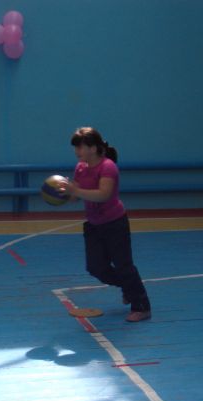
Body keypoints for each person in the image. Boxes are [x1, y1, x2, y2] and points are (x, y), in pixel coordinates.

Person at [58, 127, 151, 322]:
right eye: (75, 147)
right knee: (95, 267)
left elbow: (104, 195)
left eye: (80, 147)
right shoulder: (80, 168)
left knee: (124, 266)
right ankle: (128, 287)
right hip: (94, 225)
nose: (76, 151)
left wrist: (76, 190)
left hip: (115, 224)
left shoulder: (108, 167)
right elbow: (76, 197)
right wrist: (66, 192)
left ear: (93, 148)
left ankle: (141, 306)